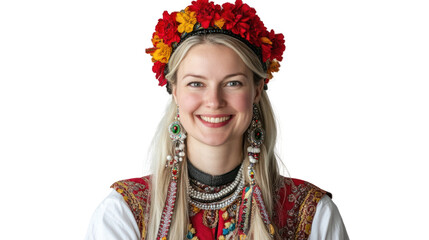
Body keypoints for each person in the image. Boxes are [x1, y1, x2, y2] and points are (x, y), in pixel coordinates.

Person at [85, 0, 349, 239]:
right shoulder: (124, 213)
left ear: (256, 89)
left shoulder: (313, 213)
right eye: (196, 83)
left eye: (233, 83)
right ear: (175, 90)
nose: (214, 100)